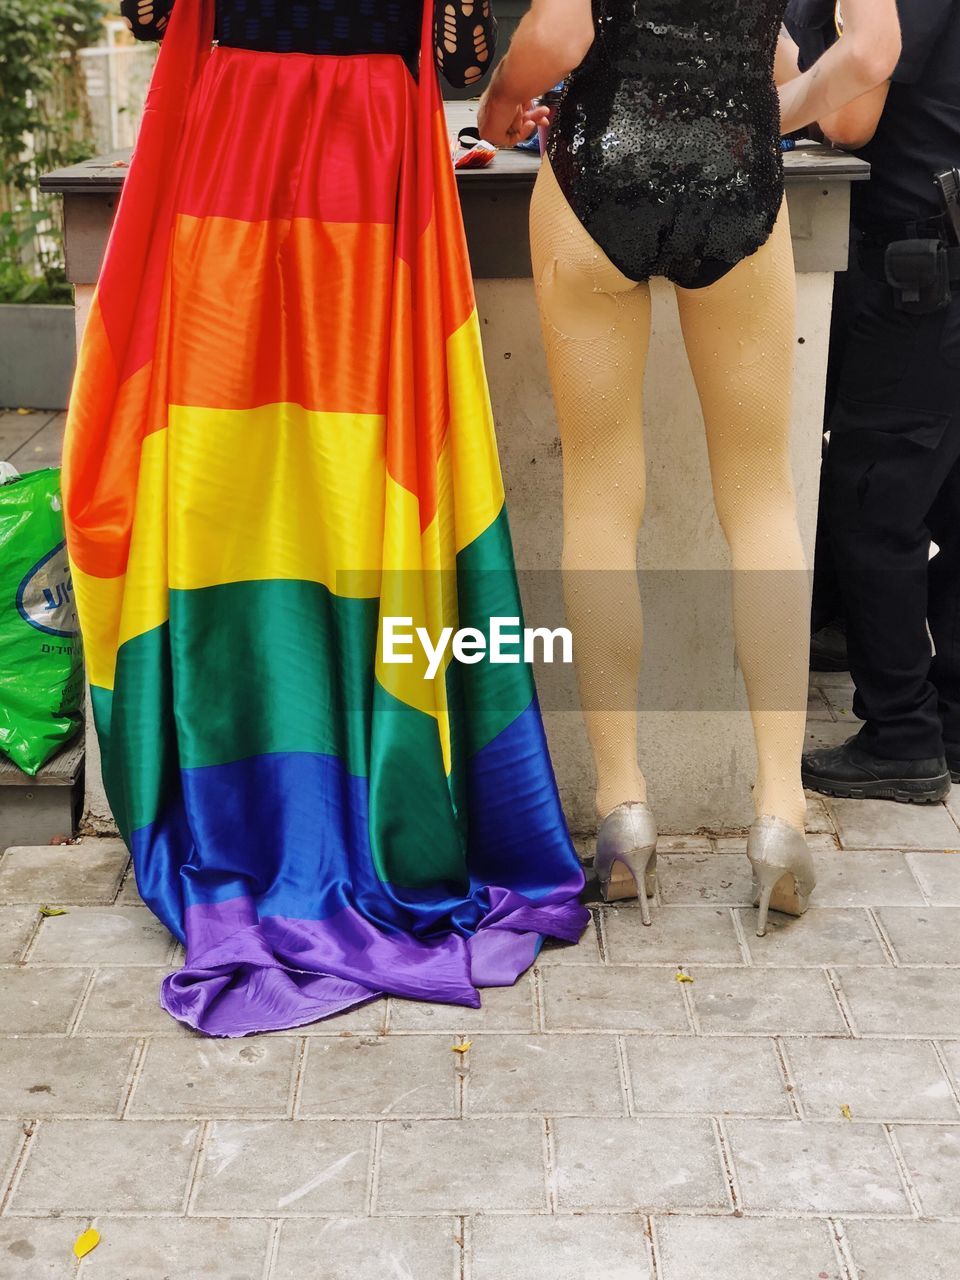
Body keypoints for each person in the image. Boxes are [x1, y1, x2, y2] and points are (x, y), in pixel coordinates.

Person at [62, 0, 590, 1037]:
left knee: (232, 488)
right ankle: (375, 790)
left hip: (236, 141)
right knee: (367, 477)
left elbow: (143, 12)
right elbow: (460, 49)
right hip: (370, 144)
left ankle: (246, 815)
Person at [478, 0, 898, 935]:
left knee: (599, 489)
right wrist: (756, 112)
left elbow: (559, 33)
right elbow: (874, 51)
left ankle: (624, 811)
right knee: (759, 499)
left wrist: (499, 105)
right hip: (739, 176)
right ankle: (780, 813)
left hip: (594, 168)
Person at [785, 0, 960, 803]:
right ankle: (948, 716)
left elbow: (852, 114)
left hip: (918, 258)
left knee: (873, 499)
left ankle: (902, 737)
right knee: (949, 499)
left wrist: (771, 55)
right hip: (938, 240)